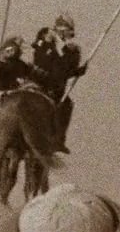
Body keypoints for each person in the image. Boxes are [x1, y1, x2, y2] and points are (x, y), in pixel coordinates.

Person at [33, 15, 86, 152]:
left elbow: (65, 72)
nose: (68, 34)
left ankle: (59, 139)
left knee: (67, 105)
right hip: (41, 81)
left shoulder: (71, 50)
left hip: (56, 86)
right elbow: (41, 55)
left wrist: (78, 71)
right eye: (67, 30)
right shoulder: (46, 37)